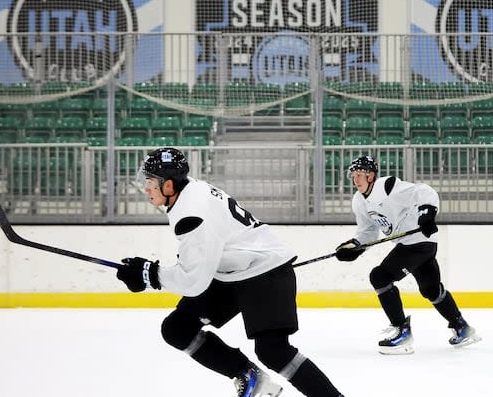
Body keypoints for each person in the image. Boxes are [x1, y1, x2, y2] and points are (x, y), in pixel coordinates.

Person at [115, 147, 344, 397]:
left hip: (265, 271)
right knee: (177, 329)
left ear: (168, 186)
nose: (145, 187)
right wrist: (151, 272)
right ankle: (248, 375)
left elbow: (193, 282)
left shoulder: (191, 213)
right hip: (233, 273)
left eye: (149, 181)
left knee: (273, 351)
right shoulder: (188, 190)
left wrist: (150, 274)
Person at [334, 155, 481, 355]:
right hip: (411, 244)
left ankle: (402, 331)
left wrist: (428, 212)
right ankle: (462, 327)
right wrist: (355, 246)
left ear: (371, 176)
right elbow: (368, 231)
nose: (355, 180)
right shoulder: (359, 201)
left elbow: (423, 191)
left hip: (420, 241)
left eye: (360, 175)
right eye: (353, 175)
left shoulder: (386, 186)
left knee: (379, 276)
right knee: (431, 290)